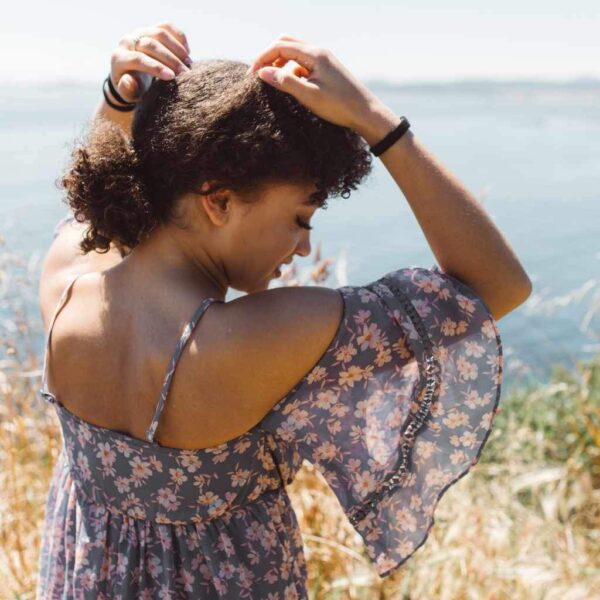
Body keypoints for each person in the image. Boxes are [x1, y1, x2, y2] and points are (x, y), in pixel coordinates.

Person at [35, 21, 530, 599]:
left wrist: (120, 98)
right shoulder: (258, 338)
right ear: (218, 201)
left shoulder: (67, 280)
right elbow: (497, 286)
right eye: (300, 218)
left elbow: (99, 198)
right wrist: (376, 121)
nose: (303, 248)